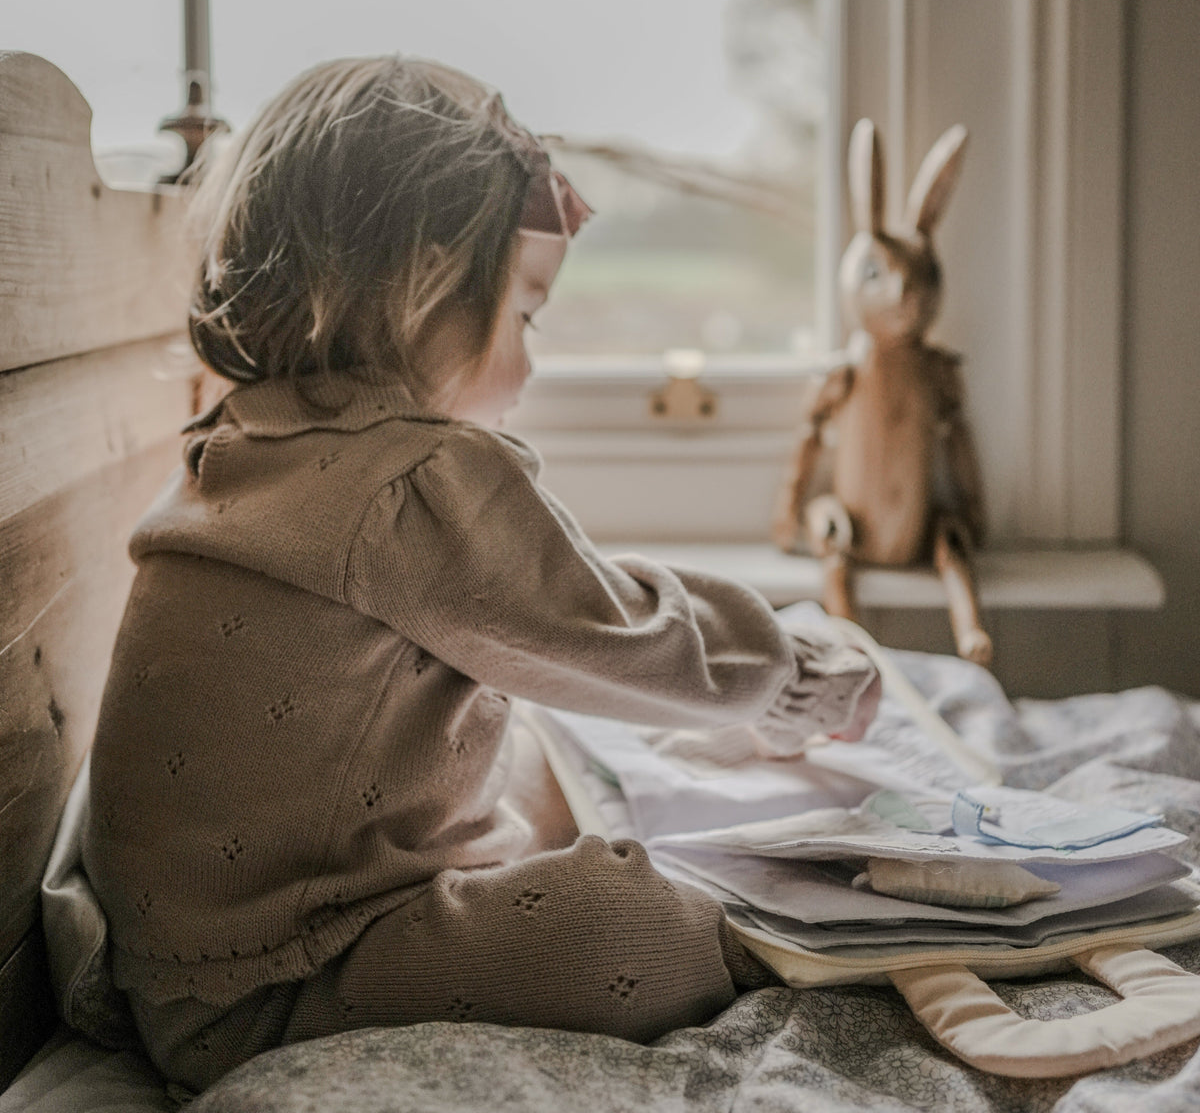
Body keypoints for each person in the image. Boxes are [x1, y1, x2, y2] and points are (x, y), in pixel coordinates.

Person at [81, 55, 880, 1092]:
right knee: (632, 927)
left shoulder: (247, 436)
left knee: (545, 747)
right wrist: (795, 672)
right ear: (421, 287)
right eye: (526, 315)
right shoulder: (417, 473)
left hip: (191, 973)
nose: (533, 362)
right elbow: (607, 622)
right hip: (294, 977)